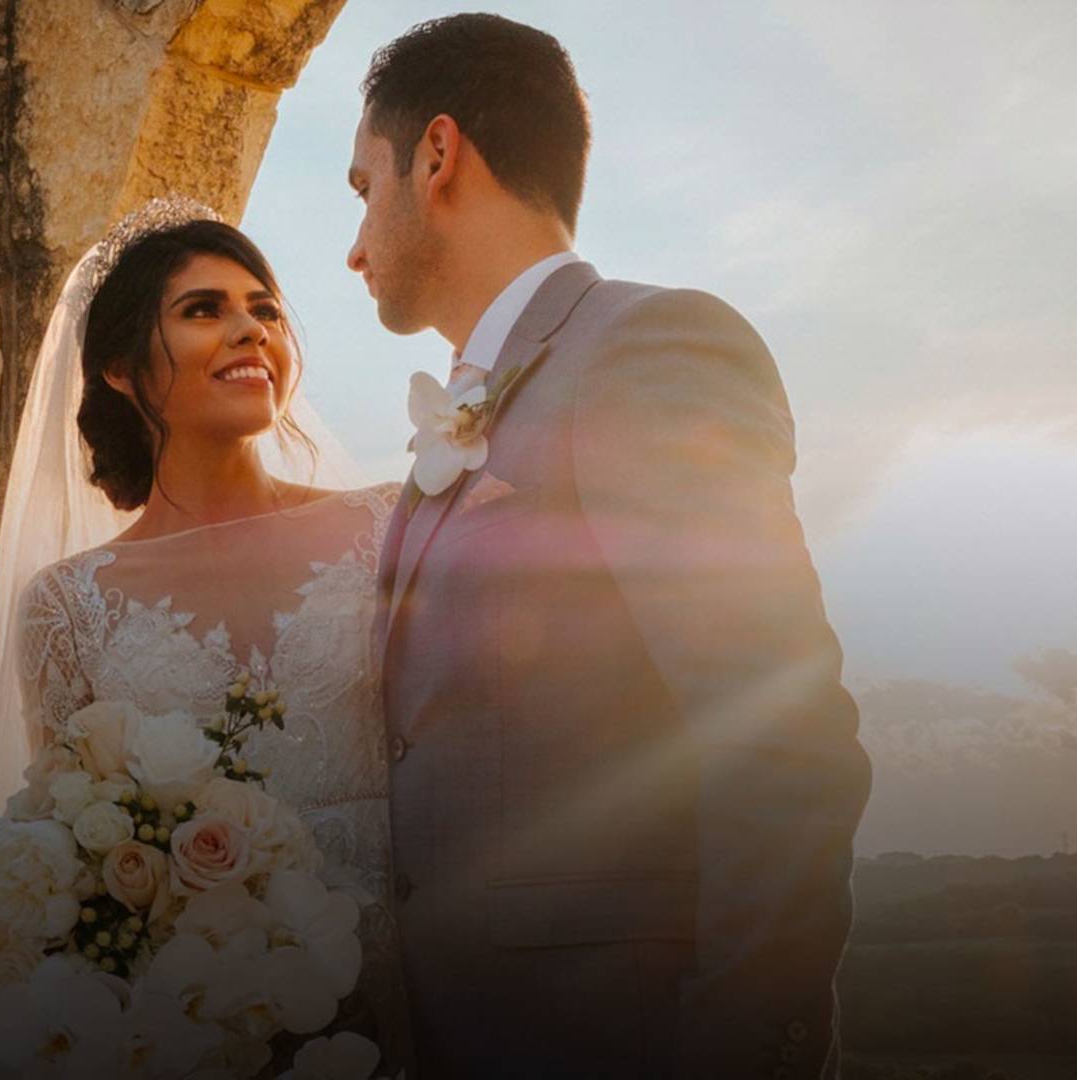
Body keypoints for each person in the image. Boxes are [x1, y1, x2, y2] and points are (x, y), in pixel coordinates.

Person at [349, 14, 874, 1078]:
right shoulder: (454, 425)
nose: (353, 245)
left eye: (364, 188)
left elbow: (779, 733)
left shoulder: (647, 346)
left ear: (438, 156)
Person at [0, 197, 412, 1072]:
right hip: (214, 1032)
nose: (250, 331)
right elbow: (73, 851)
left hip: (429, 994)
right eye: (205, 310)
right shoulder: (68, 605)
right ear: (122, 368)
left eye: (264, 309)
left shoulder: (386, 529)